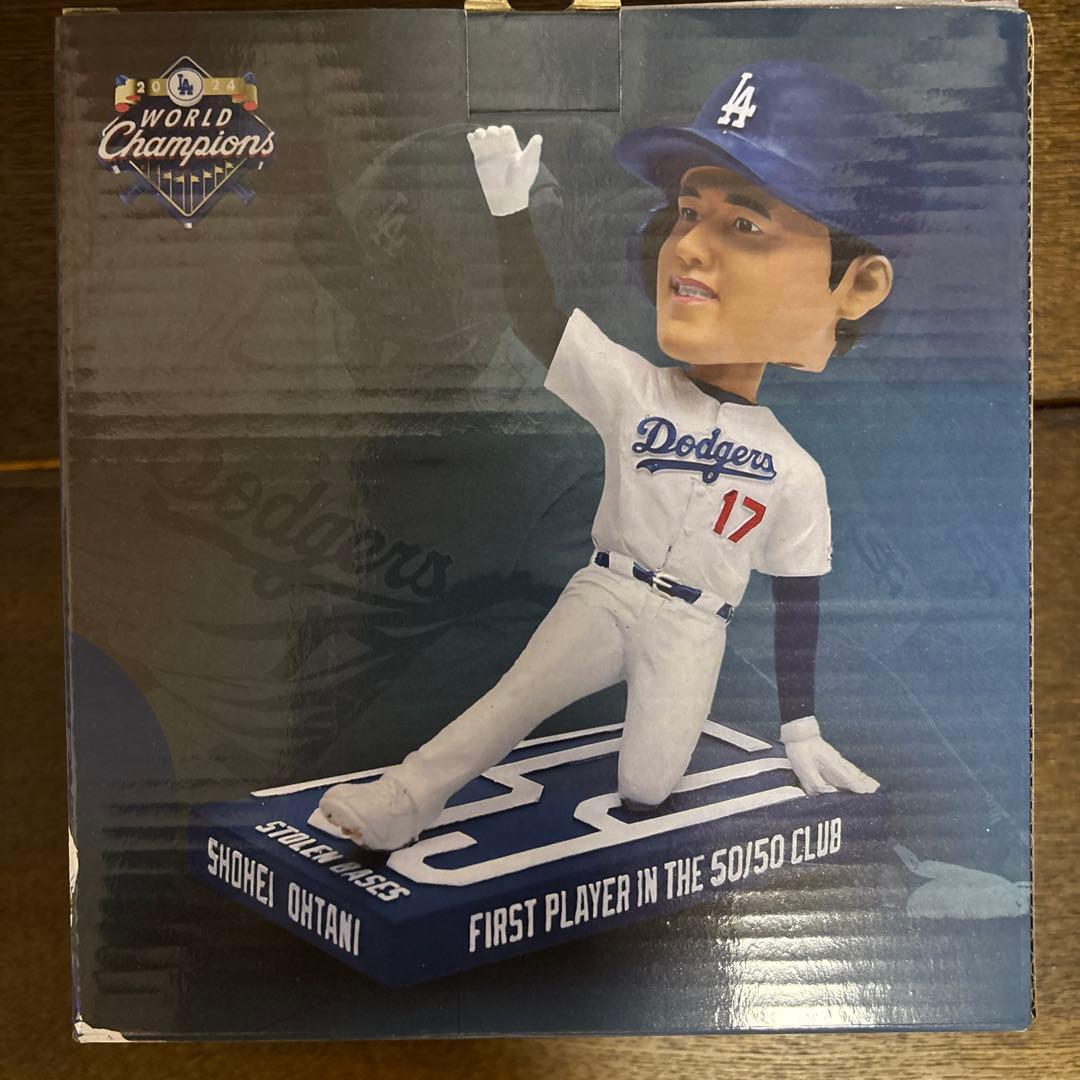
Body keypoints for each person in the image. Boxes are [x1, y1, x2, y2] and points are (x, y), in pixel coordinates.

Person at [321, 61, 903, 851]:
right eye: (686, 212)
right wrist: (509, 211)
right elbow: (536, 316)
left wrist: (799, 726)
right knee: (513, 698)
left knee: (647, 788)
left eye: (744, 224)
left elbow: (799, 599)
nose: (688, 246)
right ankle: (402, 798)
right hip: (607, 592)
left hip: (693, 627)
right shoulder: (635, 388)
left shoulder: (796, 469)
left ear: (855, 286)